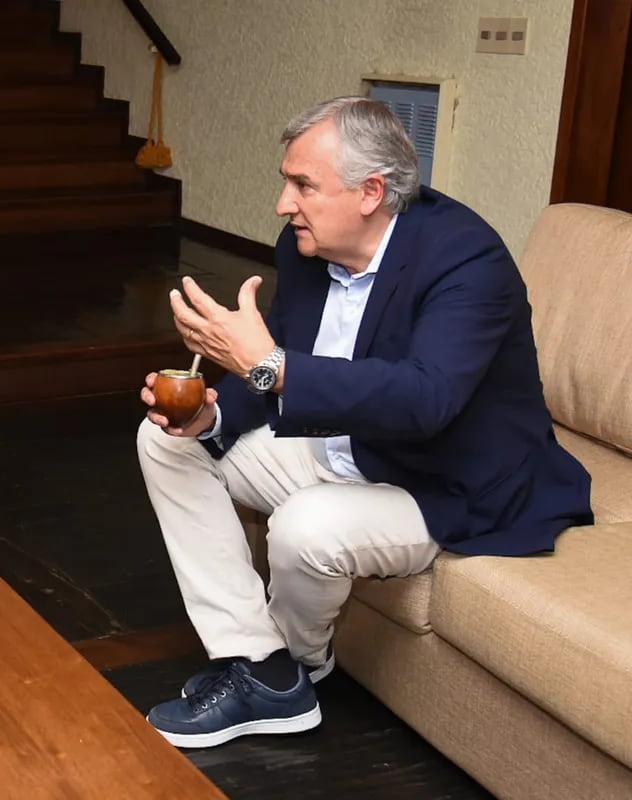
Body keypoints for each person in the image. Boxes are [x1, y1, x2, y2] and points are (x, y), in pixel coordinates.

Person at [136, 96, 592, 749]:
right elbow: (277, 367)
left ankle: (289, 671)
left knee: (304, 527)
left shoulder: (466, 261)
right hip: (345, 450)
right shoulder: (306, 248)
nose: (282, 204)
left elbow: (426, 398)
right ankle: (265, 667)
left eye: (302, 186)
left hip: (444, 483)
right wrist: (210, 414)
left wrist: (265, 362)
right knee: (164, 441)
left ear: (371, 192)